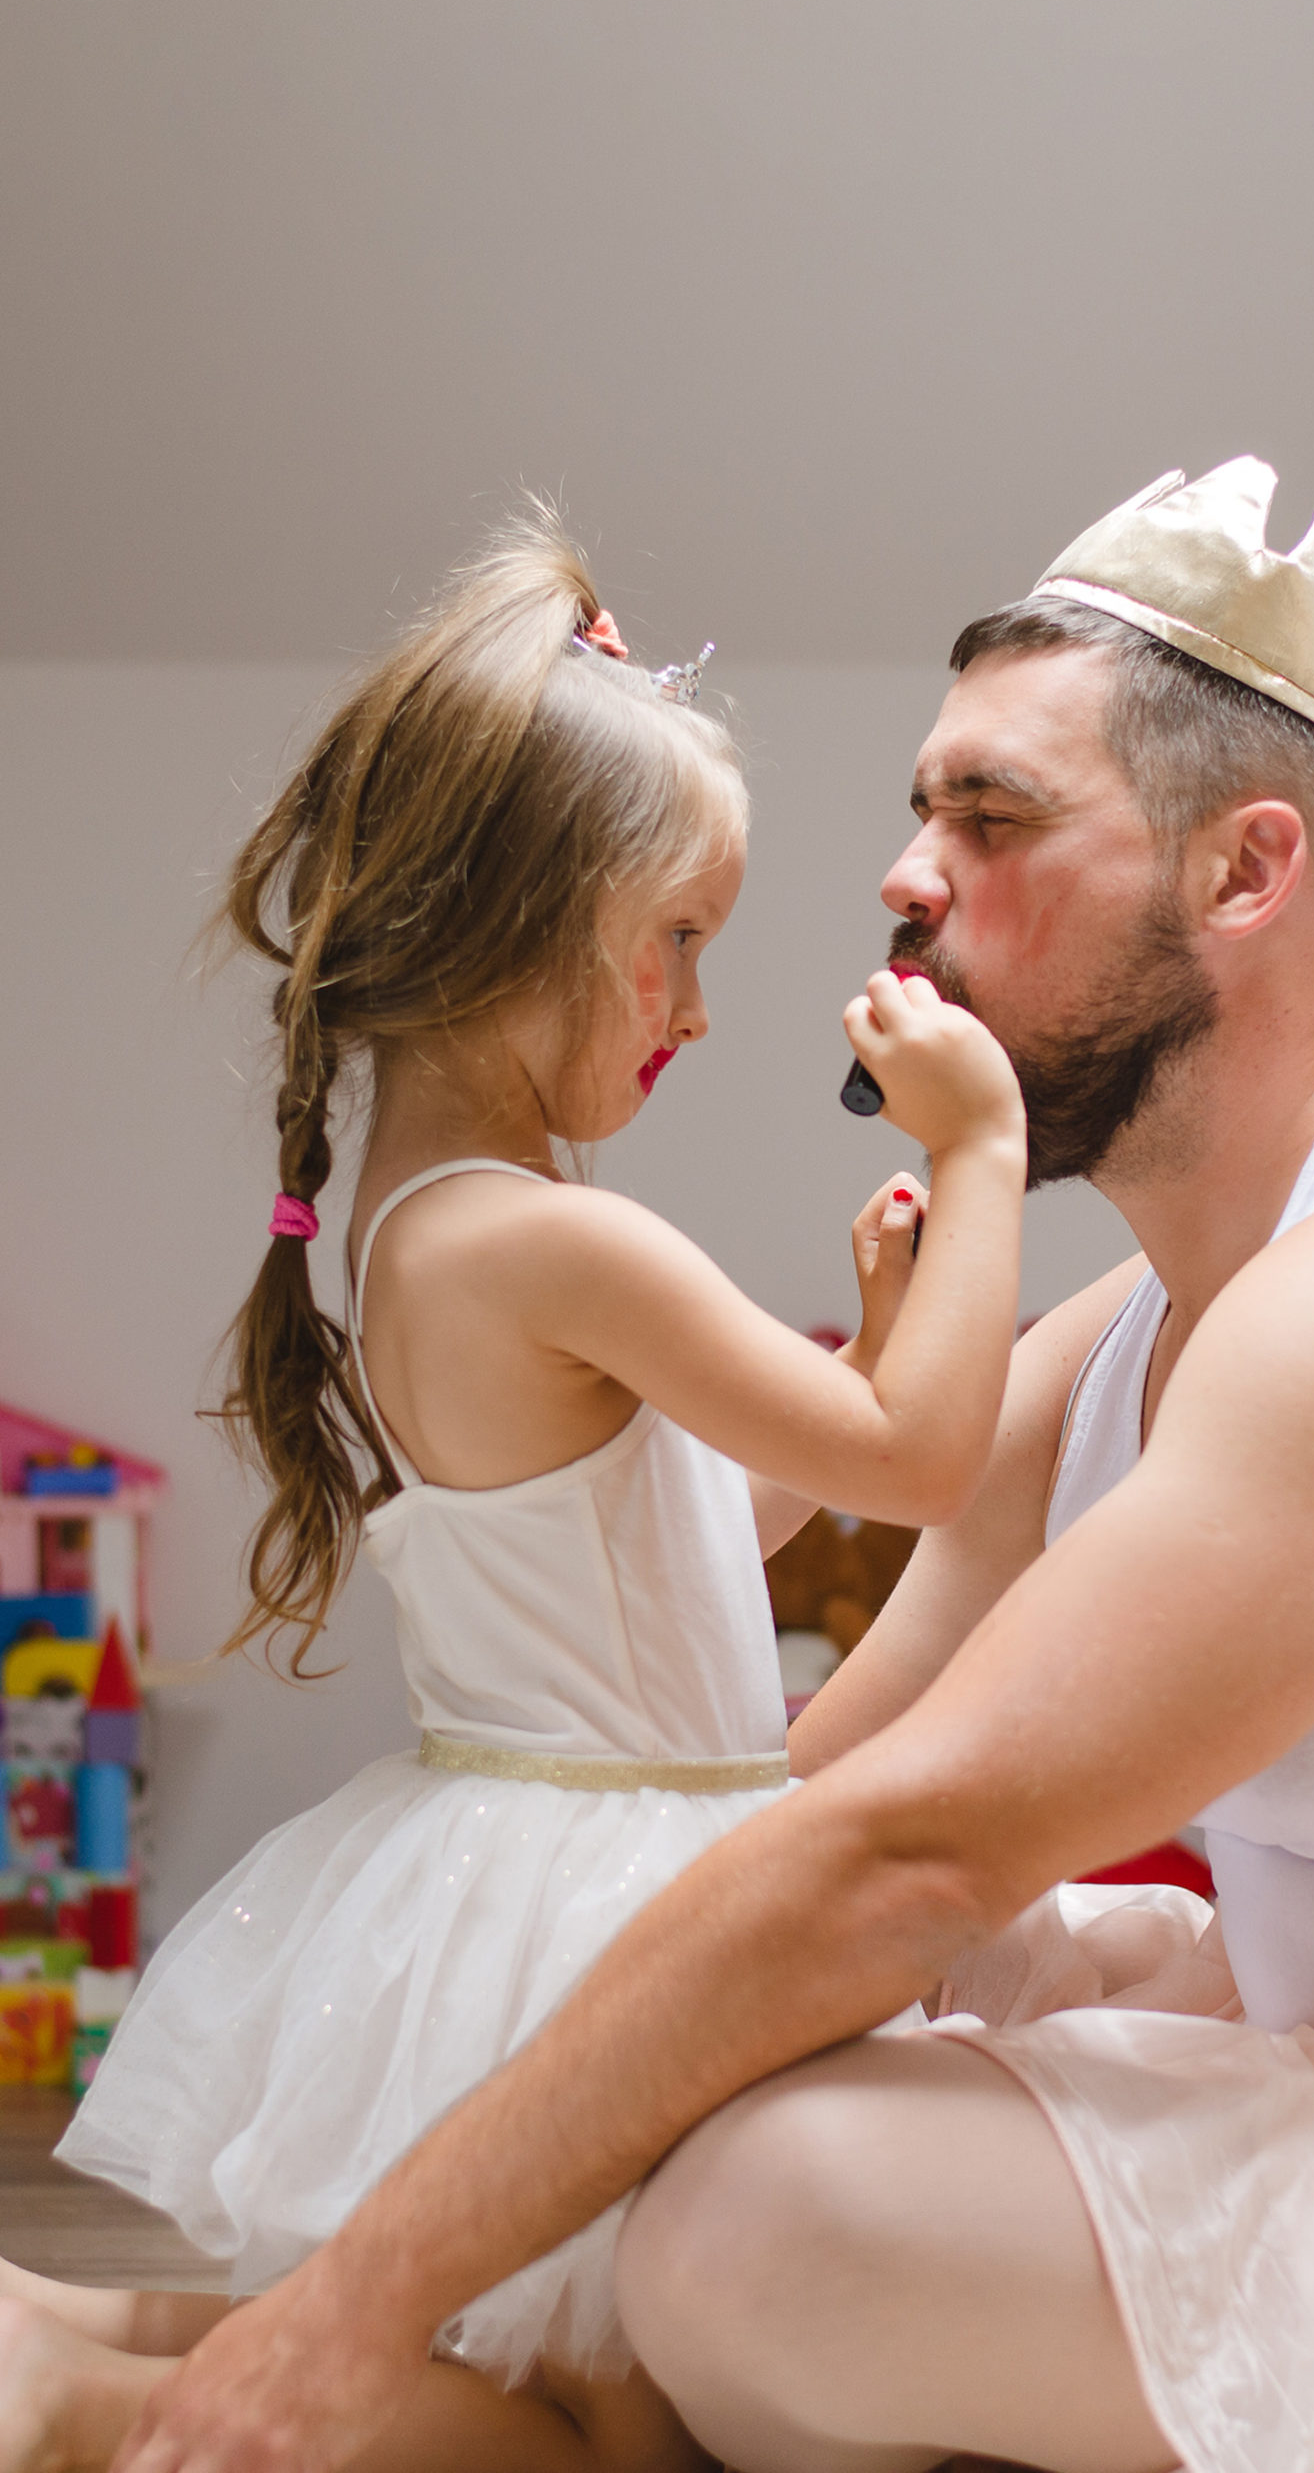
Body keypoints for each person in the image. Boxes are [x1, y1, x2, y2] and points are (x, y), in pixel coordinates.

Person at [13, 459, 1314, 2473]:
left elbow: (899, 1846)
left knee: (767, 2218)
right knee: (762, 2050)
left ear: (1246, 873)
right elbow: (822, 1768)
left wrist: (360, 2291)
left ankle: (267, 2383)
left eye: (989, 817)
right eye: (926, 809)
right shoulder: (1151, 1329)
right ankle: (162, 2358)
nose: (907, 874)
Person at [0, 509, 1027, 2473]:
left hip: (534, 1851)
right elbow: (925, 1460)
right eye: (684, 939)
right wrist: (978, 1155)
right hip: (616, 1890)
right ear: (533, 922)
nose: (698, 1006)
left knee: (580, 2378)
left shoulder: (436, 1221)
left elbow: (695, 1546)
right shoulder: (553, 1245)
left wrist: (870, 1342)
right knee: (602, 2421)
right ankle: (90, 2401)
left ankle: (71, 2339)